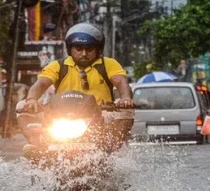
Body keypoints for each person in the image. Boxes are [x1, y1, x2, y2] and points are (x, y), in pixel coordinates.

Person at [16, 23, 134, 155]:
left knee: (127, 111)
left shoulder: (108, 64)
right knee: (22, 105)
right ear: (70, 49)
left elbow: (120, 81)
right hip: (61, 117)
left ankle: (110, 149)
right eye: (78, 49)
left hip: (101, 116)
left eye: (89, 50)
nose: (84, 54)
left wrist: (126, 98)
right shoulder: (58, 66)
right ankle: (38, 146)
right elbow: (41, 83)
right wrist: (31, 99)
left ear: (98, 50)